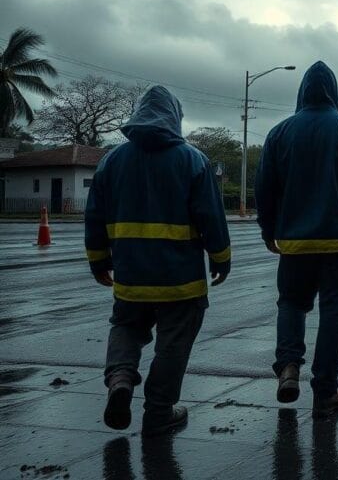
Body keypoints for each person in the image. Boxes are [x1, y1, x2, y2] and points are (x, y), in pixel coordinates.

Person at [85, 86, 231, 436]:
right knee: (173, 342)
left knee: (126, 327)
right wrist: (220, 258)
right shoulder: (193, 160)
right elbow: (211, 217)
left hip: (131, 277)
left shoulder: (111, 161)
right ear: (175, 117)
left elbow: (94, 216)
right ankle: (159, 412)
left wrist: (98, 260)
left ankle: (120, 378)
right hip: (180, 280)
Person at [255, 61, 338, 418]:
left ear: (301, 92)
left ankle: (288, 366)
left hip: (295, 243)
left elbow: (264, 188)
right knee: (334, 314)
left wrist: (268, 229)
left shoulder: (279, 133)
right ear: (334, 92)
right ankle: (325, 392)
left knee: (291, 304)